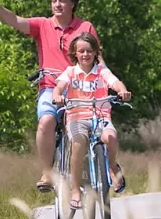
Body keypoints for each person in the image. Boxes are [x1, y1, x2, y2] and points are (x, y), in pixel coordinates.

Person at [0, 0, 98, 193]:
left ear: (72, 4)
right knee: (45, 121)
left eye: (62, 0)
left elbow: (97, 58)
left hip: (80, 88)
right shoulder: (43, 25)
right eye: (54, 1)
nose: (57, 5)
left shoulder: (85, 28)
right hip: (50, 88)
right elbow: (16, 21)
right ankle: (47, 172)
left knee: (92, 128)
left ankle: (97, 170)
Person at [52, 32, 131, 208]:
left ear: (95, 52)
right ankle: (75, 190)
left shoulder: (101, 71)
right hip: (77, 116)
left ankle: (111, 166)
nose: (85, 55)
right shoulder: (71, 72)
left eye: (89, 51)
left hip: (101, 114)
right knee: (78, 144)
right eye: (81, 51)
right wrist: (57, 96)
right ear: (75, 54)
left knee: (111, 137)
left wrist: (122, 91)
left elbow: (115, 82)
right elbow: (59, 87)